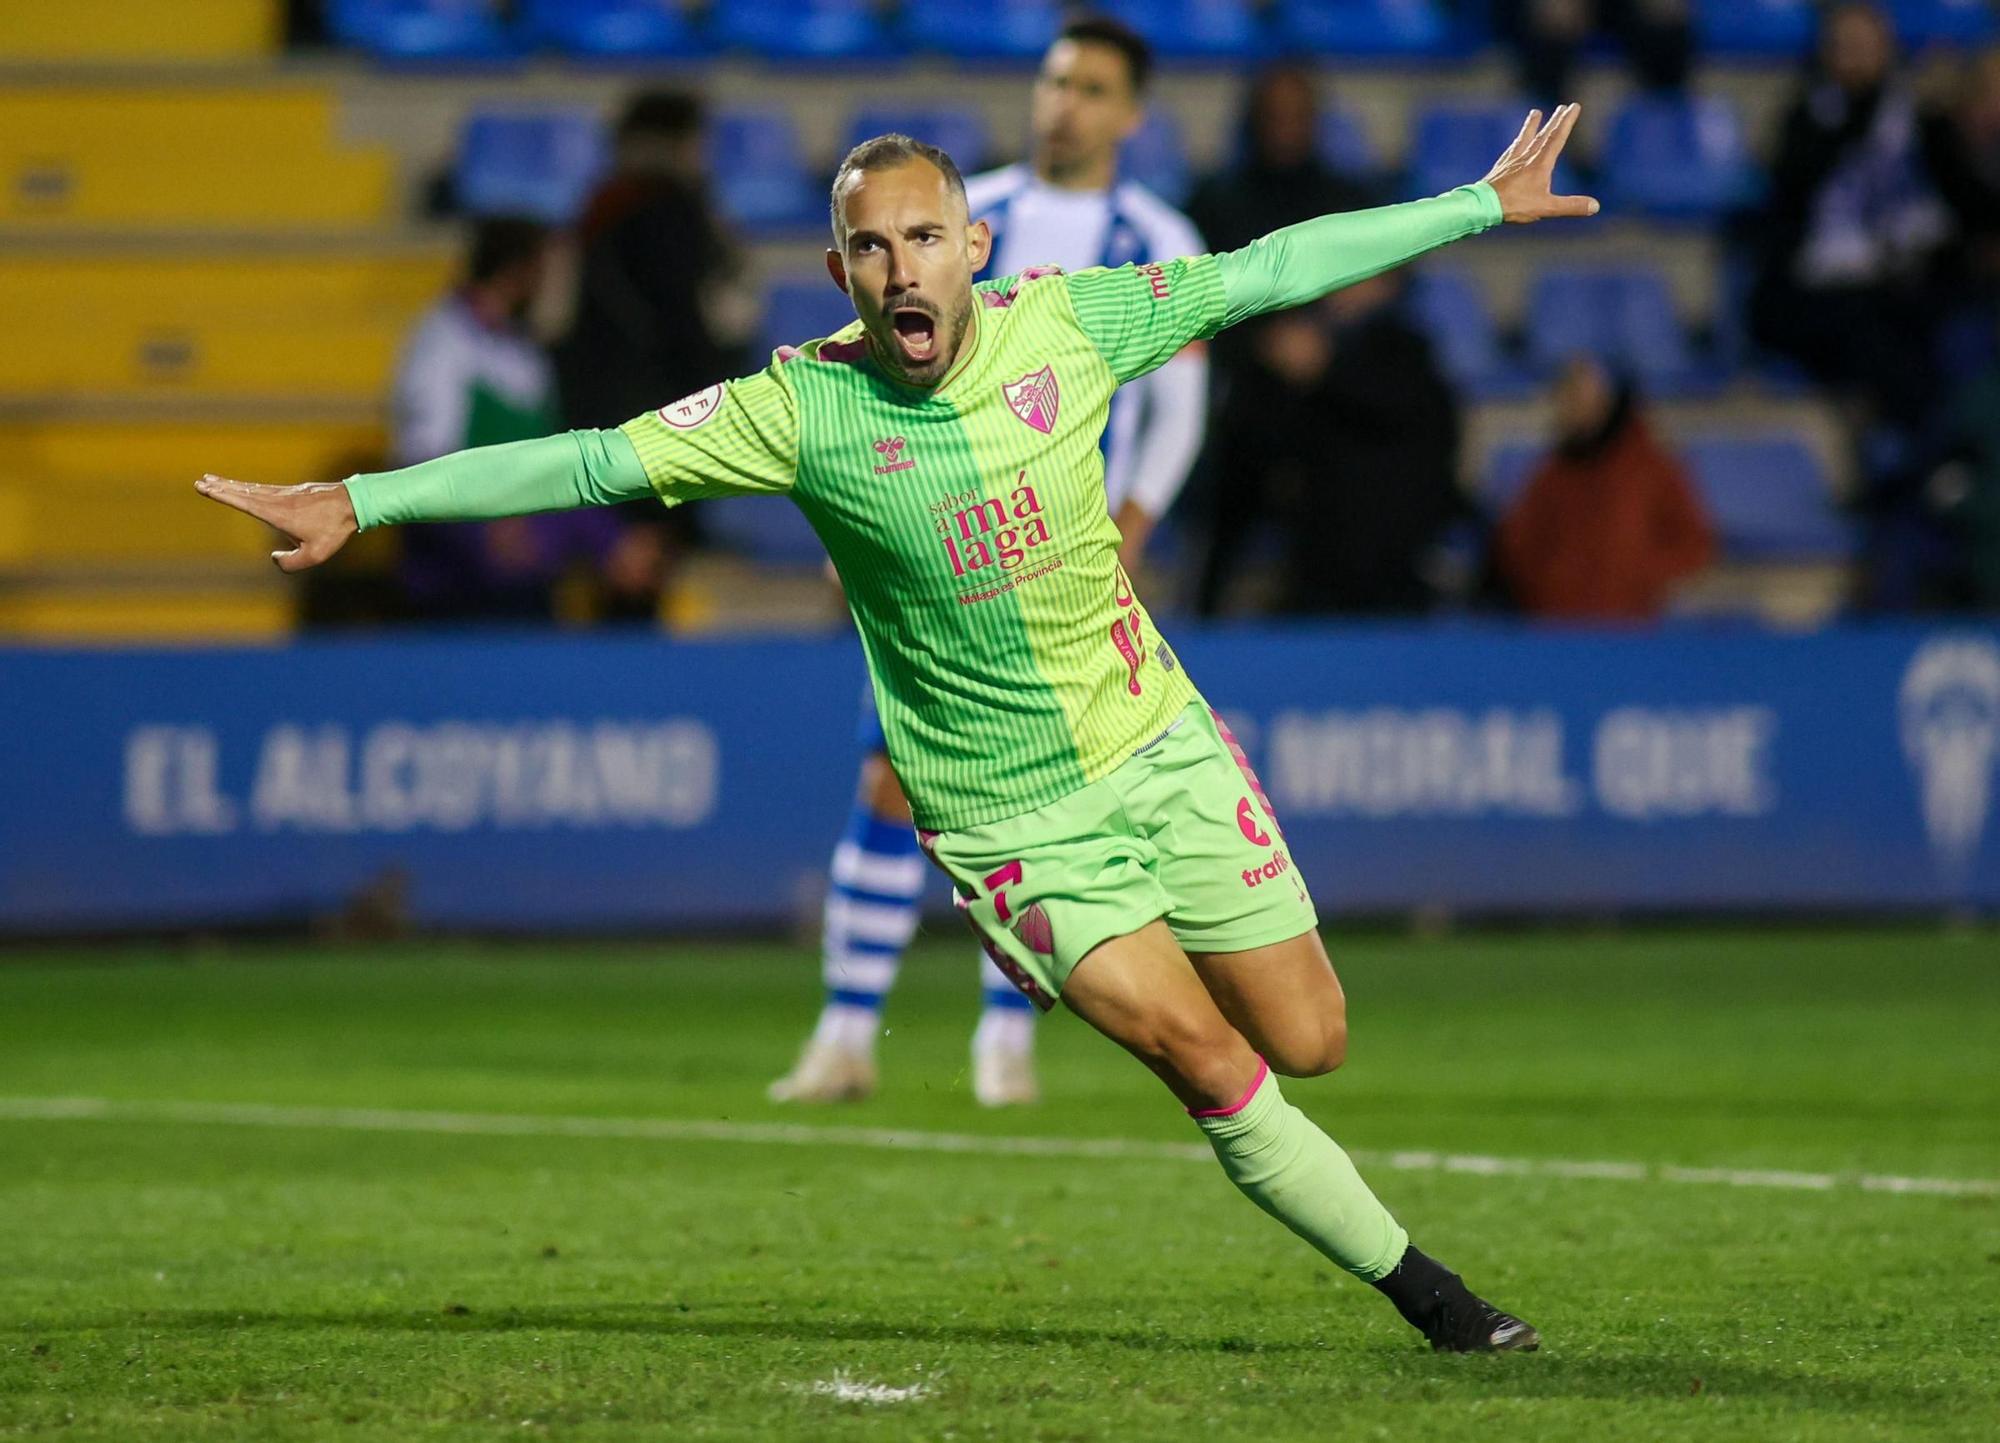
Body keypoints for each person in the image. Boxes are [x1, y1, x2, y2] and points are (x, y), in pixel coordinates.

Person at [194, 106, 1600, 1352]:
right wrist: (363, 499)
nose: (902, 268)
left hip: (1161, 742)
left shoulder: (1073, 322)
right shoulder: (801, 408)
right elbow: (587, 458)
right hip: (1008, 819)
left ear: (973, 243)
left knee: (1313, 1036)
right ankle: (1432, 1294)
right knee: (1201, 1054)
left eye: (927, 236)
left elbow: (1268, 271)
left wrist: (1478, 204)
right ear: (840, 271)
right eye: (873, 248)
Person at [769, 14, 1211, 1109]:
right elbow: (871, 367)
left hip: (1060, 565)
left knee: (1053, 805)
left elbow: (1180, 405)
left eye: (1093, 89)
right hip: (938, 560)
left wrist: (1138, 517)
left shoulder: (1156, 231)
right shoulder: (968, 218)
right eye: (1056, 81)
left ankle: (1003, 1040)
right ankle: (843, 1033)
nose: (1065, 103)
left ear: (1130, 114)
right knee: (887, 783)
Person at [1187, 62, 1379, 616]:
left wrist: (1325, 337)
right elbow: (1186, 300)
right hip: (1242, 399)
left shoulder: (1347, 196)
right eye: (1273, 114)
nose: (1284, 126)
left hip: (1332, 402)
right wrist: (1266, 343)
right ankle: (1203, 634)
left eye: (1296, 114)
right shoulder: (1215, 201)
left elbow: (1389, 280)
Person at [1495, 355, 1713, 621]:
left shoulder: (1649, 466)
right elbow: (1519, 545)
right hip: (1559, 627)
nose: (1574, 406)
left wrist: (1640, 573)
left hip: (1630, 625)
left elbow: (1693, 541)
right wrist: (1550, 583)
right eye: (1568, 396)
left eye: (1584, 395)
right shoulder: (1551, 473)